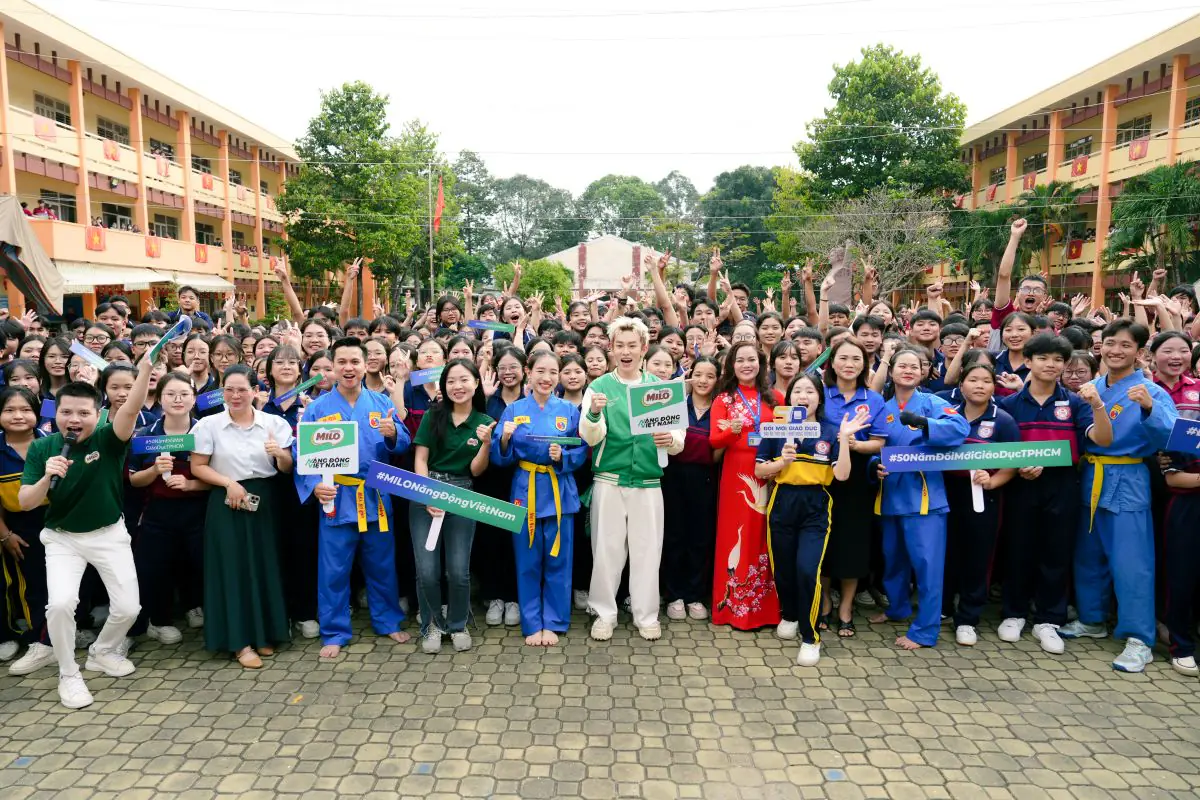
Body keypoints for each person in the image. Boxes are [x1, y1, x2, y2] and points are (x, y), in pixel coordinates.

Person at [18, 354, 156, 709]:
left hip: (109, 534)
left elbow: (131, 407)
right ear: (55, 414)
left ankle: (103, 650)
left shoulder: (110, 440)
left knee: (128, 608)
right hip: (62, 537)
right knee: (61, 604)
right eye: (67, 412)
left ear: (99, 415)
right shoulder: (42, 448)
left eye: (83, 413)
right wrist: (48, 476)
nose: (74, 420)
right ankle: (68, 673)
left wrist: (144, 370)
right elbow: (26, 502)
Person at [1060, 320, 1178, 673]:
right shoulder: (1092, 386)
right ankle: (1093, 619)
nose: (1115, 350)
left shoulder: (1151, 391)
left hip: (1128, 476)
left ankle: (1138, 637)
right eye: (1110, 343)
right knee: (1088, 554)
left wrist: (1147, 409)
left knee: (1132, 562)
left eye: (1125, 345)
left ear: (1139, 352)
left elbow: (1173, 436)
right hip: (1092, 474)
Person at [296, 338, 413, 659]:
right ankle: (334, 630)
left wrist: (392, 434)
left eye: (355, 362)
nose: (348, 368)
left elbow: (402, 443)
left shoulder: (380, 402)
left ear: (365, 366)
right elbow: (302, 454)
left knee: (381, 564)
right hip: (335, 497)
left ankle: (387, 619)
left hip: (374, 494)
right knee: (333, 569)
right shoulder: (317, 409)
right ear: (332, 366)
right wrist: (314, 486)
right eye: (342, 362)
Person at [996, 333, 1110, 653]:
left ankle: (1048, 620)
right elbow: (1002, 449)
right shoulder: (1008, 404)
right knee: (1018, 549)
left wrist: (1097, 405)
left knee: (1056, 552)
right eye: (1043, 358)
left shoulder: (1074, 403)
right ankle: (1014, 613)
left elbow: (1098, 439)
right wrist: (1017, 467)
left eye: (1057, 360)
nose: (1051, 364)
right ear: (1028, 362)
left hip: (1062, 484)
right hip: (1021, 484)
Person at [580, 317, 684, 642]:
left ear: (643, 348)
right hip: (609, 481)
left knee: (647, 551)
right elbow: (589, 436)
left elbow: (678, 437)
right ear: (611, 349)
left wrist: (672, 439)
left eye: (632, 345)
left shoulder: (659, 387)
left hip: (649, 483)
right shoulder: (598, 388)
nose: (626, 351)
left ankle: (646, 614)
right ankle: (604, 612)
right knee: (606, 550)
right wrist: (595, 414)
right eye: (619, 345)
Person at [755, 373, 866, 666]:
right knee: (783, 569)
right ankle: (789, 614)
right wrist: (783, 461)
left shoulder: (830, 430)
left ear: (820, 397)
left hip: (816, 504)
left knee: (808, 570)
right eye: (797, 391)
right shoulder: (776, 429)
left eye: (810, 391)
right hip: (782, 501)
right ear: (789, 398)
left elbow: (841, 475)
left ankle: (810, 637)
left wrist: (843, 440)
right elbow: (760, 471)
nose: (803, 396)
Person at [189, 365, 293, 669]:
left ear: (255, 391)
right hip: (226, 501)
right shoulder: (208, 425)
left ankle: (265, 634)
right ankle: (240, 642)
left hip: (266, 501)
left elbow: (286, 468)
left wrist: (282, 454)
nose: (235, 396)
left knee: (264, 565)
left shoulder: (273, 424)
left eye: (242, 390)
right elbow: (198, 467)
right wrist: (228, 483)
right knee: (232, 570)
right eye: (229, 390)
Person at [870, 346, 969, 650]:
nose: (909, 370)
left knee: (927, 566)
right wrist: (875, 467)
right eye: (903, 365)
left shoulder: (933, 402)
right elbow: (870, 448)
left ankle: (925, 630)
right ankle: (898, 607)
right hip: (890, 496)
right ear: (893, 370)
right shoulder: (881, 407)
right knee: (893, 559)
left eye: (916, 366)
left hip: (926, 499)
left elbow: (959, 428)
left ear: (925, 371)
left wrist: (925, 424)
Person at [491, 351, 588, 646]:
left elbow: (582, 449)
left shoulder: (570, 411)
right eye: (541, 372)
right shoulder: (514, 410)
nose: (547, 378)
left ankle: (555, 621)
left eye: (553, 372)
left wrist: (564, 456)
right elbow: (499, 456)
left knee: (559, 560)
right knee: (528, 561)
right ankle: (533, 622)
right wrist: (504, 438)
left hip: (560, 491)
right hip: (526, 489)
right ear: (528, 373)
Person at [410, 359, 495, 654]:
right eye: (451, 381)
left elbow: (475, 470)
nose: (457, 387)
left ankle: (458, 624)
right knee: (427, 570)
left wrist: (486, 444)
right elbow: (420, 459)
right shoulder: (433, 415)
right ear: (444, 386)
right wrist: (427, 494)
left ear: (475, 384)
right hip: (426, 489)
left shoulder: (484, 421)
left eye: (464, 380)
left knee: (458, 570)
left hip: (462, 492)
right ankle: (432, 625)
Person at [942, 362, 1019, 647]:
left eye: (986, 381)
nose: (979, 386)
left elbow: (1012, 464)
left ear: (993, 387)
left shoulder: (1004, 421)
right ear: (960, 385)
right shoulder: (945, 415)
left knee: (978, 555)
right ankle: (943, 607)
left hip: (983, 496)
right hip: (945, 492)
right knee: (947, 552)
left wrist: (993, 481)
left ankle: (968, 618)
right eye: (972, 380)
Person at [127, 372, 207, 644]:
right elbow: (134, 480)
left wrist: (191, 485)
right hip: (157, 513)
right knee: (155, 567)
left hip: (199, 512)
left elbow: (220, 477)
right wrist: (154, 470)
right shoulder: (143, 435)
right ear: (159, 398)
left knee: (199, 563)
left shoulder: (205, 431)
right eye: (170, 394)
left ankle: (196, 606)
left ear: (194, 398)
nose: (177, 399)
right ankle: (158, 620)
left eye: (184, 394)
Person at [710, 341, 782, 631]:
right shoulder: (723, 400)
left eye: (751, 359)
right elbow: (713, 441)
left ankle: (765, 609)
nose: (746, 365)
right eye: (740, 360)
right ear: (731, 365)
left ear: (761, 364)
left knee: (764, 536)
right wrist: (731, 432)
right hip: (736, 475)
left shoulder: (775, 397)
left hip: (768, 472)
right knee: (734, 536)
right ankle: (732, 609)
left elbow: (785, 433)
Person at [819, 339, 887, 637]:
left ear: (864, 363)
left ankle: (846, 606)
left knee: (853, 543)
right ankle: (823, 604)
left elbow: (880, 442)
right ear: (831, 363)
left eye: (856, 358)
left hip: (858, 478)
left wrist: (854, 444)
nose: (849, 363)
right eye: (843, 358)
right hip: (821, 475)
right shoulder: (819, 394)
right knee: (822, 540)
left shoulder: (873, 399)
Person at [662, 356, 721, 622]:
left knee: (700, 538)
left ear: (717, 380)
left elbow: (719, 450)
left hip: (705, 478)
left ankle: (694, 595)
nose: (703, 381)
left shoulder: (720, 408)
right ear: (690, 376)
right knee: (674, 536)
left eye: (710, 376)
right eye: (698, 374)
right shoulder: (675, 404)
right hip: (672, 476)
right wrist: (679, 385)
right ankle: (674, 595)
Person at [0, 387, 51, 673]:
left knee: (62, 585)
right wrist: (5, 534)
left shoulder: (51, 443)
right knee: (30, 586)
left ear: (37, 412)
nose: (18, 416)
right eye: (9, 410)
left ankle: (64, 633)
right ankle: (38, 640)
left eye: (25, 409)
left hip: (55, 521)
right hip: (18, 528)